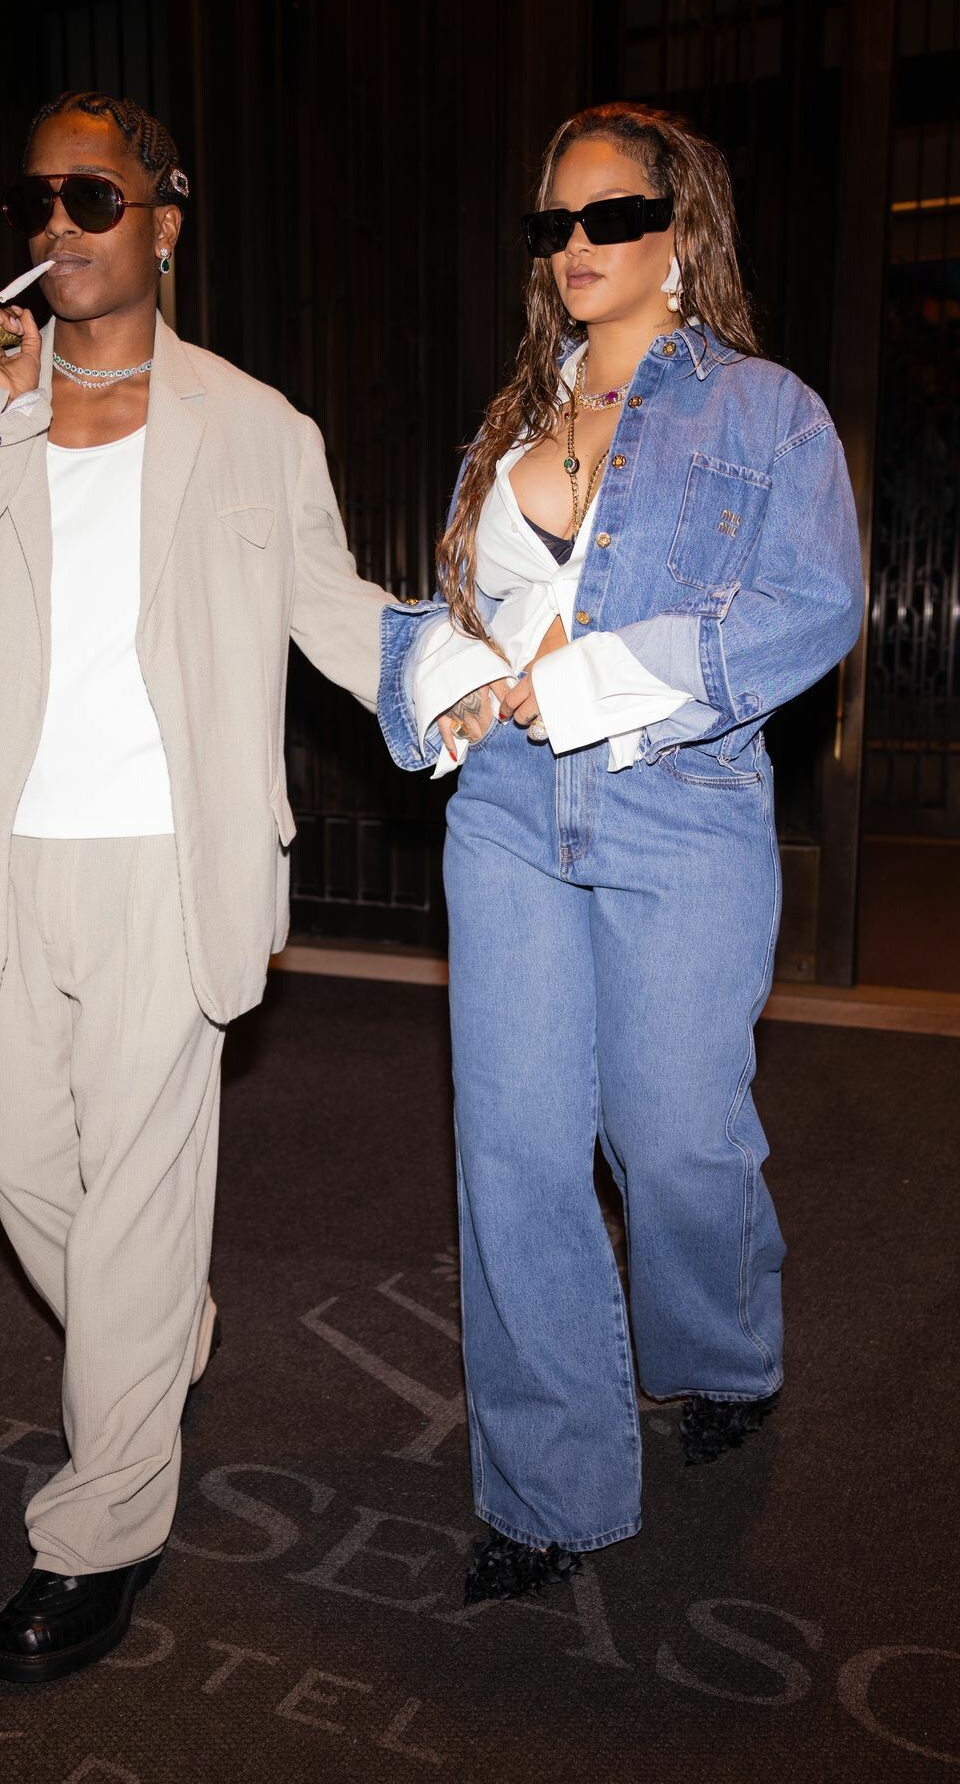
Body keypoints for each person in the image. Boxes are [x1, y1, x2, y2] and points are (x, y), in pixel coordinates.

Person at [0, 92, 398, 1685]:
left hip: (169, 859)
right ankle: (158, 1338)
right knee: (29, 1178)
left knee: (141, 1205)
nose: (58, 226)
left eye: (94, 197)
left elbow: (332, 611)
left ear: (164, 219)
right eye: (39, 200)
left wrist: (464, 682)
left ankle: (98, 1532)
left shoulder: (255, 425)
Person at [377, 103, 863, 1601]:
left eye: (612, 216)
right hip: (507, 814)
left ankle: (720, 1351)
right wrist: (448, 682)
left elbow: (810, 608)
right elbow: (455, 611)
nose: (577, 244)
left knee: (675, 1139)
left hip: (678, 807)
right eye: (555, 224)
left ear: (681, 231)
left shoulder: (766, 412)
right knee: (513, 1153)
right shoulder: (508, 425)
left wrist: (587, 680)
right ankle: (547, 1493)